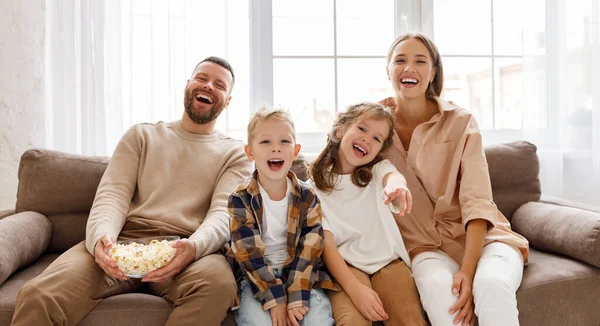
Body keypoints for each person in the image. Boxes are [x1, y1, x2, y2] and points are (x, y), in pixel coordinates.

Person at [11, 56, 253, 326]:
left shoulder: (235, 154)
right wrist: (102, 238)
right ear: (188, 85)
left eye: (219, 84)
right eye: (201, 78)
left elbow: (223, 213)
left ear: (228, 100)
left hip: (187, 249)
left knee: (218, 285)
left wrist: (194, 248)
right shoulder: (141, 135)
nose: (208, 86)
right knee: (38, 295)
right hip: (123, 240)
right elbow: (112, 195)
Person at [380, 33, 529, 326]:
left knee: (491, 286)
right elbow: (336, 162)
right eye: (400, 60)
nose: (409, 68)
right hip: (424, 248)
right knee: (440, 296)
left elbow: (477, 202)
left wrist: (469, 271)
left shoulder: (461, 122)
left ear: (433, 71)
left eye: (420, 61)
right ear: (388, 70)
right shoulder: (371, 126)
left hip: (486, 241)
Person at [309, 102, 427, 326]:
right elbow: (328, 247)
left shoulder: (378, 171)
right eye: (362, 129)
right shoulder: (312, 189)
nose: (367, 139)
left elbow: (393, 177)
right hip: (345, 268)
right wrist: (356, 291)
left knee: (409, 319)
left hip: (388, 263)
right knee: (352, 321)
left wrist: (397, 188)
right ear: (340, 130)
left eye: (377, 138)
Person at [228, 107, 337, 326]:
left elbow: (311, 247)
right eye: (266, 142)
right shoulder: (240, 198)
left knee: (318, 320)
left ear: (295, 151)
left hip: (300, 274)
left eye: (284, 142)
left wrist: (297, 295)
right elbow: (247, 253)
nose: (276, 149)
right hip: (257, 279)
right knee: (257, 321)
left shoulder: (307, 196)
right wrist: (274, 298)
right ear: (250, 152)